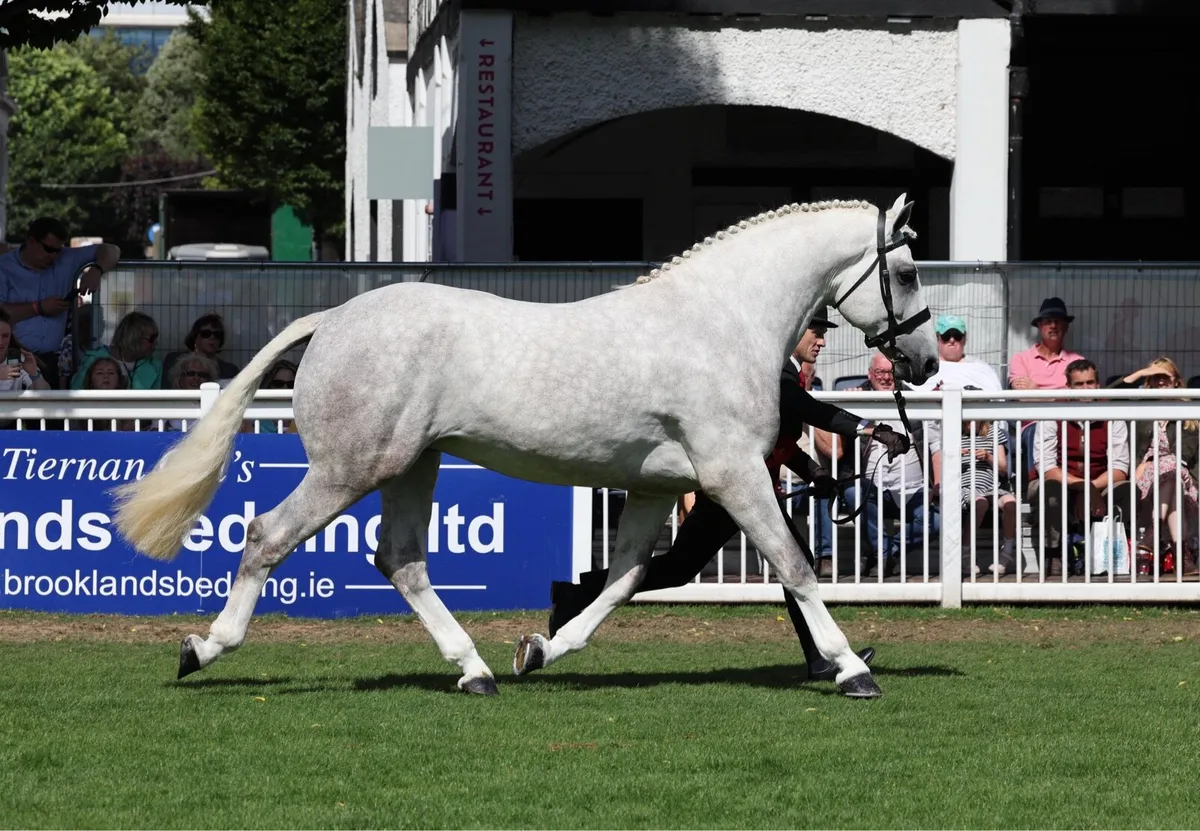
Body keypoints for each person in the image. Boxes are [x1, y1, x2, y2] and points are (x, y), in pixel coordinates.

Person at [547, 308, 911, 685]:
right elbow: (805, 409)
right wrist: (868, 429)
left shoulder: (787, 371)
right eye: (816, 332)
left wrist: (815, 472)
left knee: (681, 567)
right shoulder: (778, 372)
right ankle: (821, 658)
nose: (821, 341)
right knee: (791, 561)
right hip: (737, 490)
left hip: (744, 488)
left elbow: (782, 438)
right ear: (798, 330)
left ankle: (576, 595)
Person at [0, 217, 120, 389]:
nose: (54, 256)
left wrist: (96, 269)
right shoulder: (4, 266)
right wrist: (38, 307)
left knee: (49, 412)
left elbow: (112, 250)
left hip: (51, 359)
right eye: (49, 249)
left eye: (58, 250)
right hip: (13, 355)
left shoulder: (67, 258)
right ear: (31, 240)